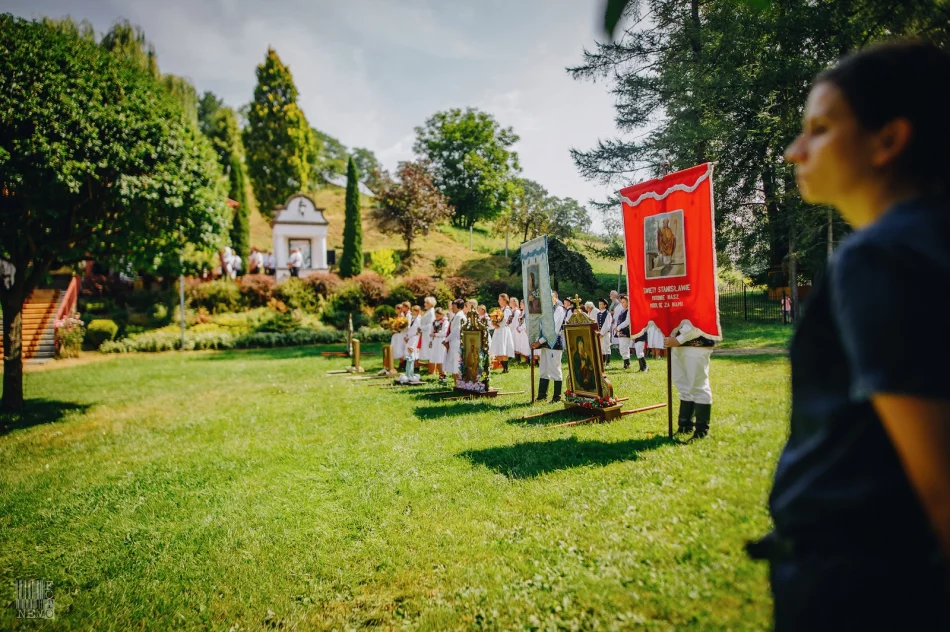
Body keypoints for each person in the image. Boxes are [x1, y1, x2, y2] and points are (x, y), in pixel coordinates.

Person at [747, 42, 950, 630]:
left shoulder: (884, 254)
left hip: (864, 584)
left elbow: (939, 472)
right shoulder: (929, 240)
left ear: (888, 140)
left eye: (820, 129)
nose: (794, 151)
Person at [665, 321, 715, 437]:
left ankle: (701, 431)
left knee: (698, 386)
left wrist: (679, 339)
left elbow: (699, 318)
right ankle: (685, 425)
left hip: (697, 343)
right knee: (683, 386)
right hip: (677, 345)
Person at [531, 291, 566, 403]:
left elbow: (553, 329)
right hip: (545, 344)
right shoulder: (546, 310)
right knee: (544, 369)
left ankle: (556, 397)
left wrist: (539, 342)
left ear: (554, 298)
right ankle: (542, 395)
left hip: (554, 343)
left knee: (555, 369)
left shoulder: (559, 309)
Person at [489, 293, 515, 373]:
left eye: (500, 299)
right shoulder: (501, 310)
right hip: (498, 330)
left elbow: (506, 321)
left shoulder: (507, 310)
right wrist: (494, 323)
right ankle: (504, 367)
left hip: (503, 330)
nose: (498, 301)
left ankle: (506, 368)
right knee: (499, 349)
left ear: (504, 300)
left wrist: (497, 324)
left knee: (504, 348)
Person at [443, 299, 468, 381]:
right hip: (454, 342)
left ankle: (458, 383)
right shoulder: (456, 315)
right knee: (454, 363)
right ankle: (456, 383)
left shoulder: (459, 316)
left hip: (457, 342)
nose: (452, 308)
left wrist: (446, 339)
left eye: (453, 306)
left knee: (456, 363)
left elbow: (456, 330)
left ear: (459, 307)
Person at [418, 296, 436, 374]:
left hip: (428, 335)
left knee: (429, 352)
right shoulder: (428, 311)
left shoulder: (431, 312)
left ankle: (432, 370)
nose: (425, 304)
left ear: (431, 304)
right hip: (425, 334)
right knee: (427, 351)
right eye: (425, 302)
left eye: (427, 303)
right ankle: (429, 369)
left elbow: (430, 325)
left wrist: (421, 328)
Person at [429, 307, 447, 384]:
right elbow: (431, 331)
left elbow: (444, 333)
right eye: (436, 316)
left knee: (441, 359)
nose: (437, 317)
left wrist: (435, 334)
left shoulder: (445, 322)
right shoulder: (434, 322)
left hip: (441, 342)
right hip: (435, 342)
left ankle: (443, 375)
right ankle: (440, 374)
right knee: (437, 359)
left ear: (442, 314)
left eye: (438, 315)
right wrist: (430, 341)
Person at [614, 295, 632, 370]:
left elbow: (627, 322)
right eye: (621, 302)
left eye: (624, 302)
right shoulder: (622, 311)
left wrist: (618, 328)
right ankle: (626, 362)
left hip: (625, 331)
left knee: (624, 347)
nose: (622, 304)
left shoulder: (629, 311)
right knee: (622, 348)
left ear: (628, 302)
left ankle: (627, 363)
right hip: (621, 331)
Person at [596, 297, 613, 368]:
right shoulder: (598, 313)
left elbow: (607, 324)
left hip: (605, 333)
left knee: (606, 347)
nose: (600, 306)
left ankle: (608, 362)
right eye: (599, 304)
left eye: (601, 304)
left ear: (605, 305)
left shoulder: (607, 314)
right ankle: (602, 362)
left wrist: (602, 333)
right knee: (601, 348)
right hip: (599, 333)